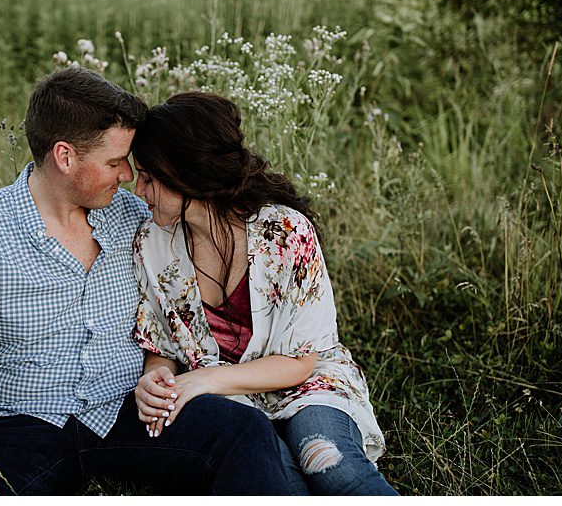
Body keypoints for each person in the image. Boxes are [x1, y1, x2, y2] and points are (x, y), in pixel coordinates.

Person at [0, 67, 298, 495]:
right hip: (25, 422)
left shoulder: (138, 219)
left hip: (128, 410)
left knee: (239, 431)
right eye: (115, 162)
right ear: (65, 157)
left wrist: (160, 375)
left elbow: (173, 313)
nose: (128, 178)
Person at [127, 91, 396, 496]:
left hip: (308, 384)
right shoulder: (152, 242)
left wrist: (203, 381)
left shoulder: (284, 232)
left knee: (328, 463)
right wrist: (155, 379)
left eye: (148, 177)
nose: (138, 190)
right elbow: (160, 343)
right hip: (232, 406)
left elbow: (299, 363)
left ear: (186, 175)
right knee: (278, 486)